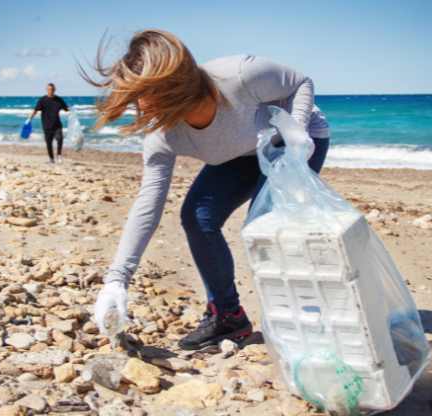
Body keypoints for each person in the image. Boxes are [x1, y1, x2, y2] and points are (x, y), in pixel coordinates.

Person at [84, 30, 330, 350]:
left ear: (170, 86)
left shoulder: (241, 75)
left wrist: (297, 131)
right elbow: (148, 203)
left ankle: (309, 316)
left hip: (292, 141)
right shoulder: (163, 135)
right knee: (198, 215)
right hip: (239, 154)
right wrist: (116, 281)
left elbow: (300, 82)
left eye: (142, 95)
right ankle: (228, 316)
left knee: (265, 225)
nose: (140, 107)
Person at [27, 83, 69, 163]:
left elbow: (67, 109)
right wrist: (29, 119)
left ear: (54, 90)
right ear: (47, 90)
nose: (51, 91)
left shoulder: (59, 100)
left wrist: (73, 113)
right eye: (49, 89)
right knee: (48, 143)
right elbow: (35, 110)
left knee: (60, 139)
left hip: (57, 124)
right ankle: (51, 159)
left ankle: (59, 156)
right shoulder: (42, 100)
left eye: (52, 89)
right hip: (46, 125)